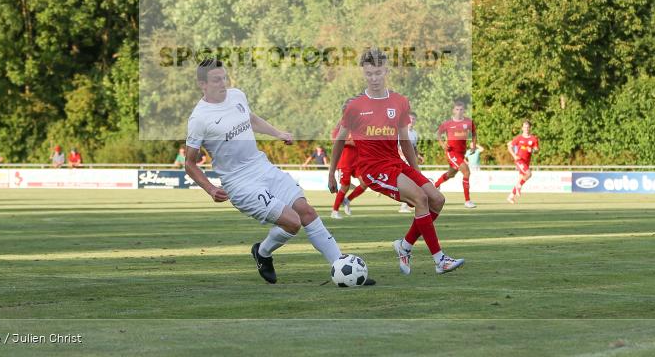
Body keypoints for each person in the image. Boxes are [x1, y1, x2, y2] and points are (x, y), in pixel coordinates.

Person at [185, 58, 365, 285]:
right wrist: (210, 189)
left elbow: (250, 119)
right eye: (216, 80)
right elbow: (189, 164)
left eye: (224, 77)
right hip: (240, 183)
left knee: (306, 211)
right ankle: (263, 252)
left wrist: (278, 133)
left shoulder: (237, 95)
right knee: (292, 222)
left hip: (263, 167)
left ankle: (341, 266)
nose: (223, 83)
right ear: (202, 84)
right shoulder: (199, 118)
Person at [330, 48, 465, 275]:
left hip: (396, 162)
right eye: (369, 73)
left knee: (437, 199)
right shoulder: (355, 106)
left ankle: (404, 245)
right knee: (421, 199)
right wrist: (331, 172)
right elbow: (339, 141)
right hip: (373, 168)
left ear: (386, 71)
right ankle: (440, 260)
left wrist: (417, 172)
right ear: (364, 73)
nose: (374, 78)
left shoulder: (400, 102)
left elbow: (405, 142)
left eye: (378, 73)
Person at [434, 101, 478, 208]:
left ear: (464, 110)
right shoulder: (447, 123)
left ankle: (435, 185)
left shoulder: (468, 122)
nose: (459, 111)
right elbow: (438, 134)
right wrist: (443, 144)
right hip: (451, 152)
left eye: (461, 109)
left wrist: (473, 144)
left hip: (461, 153)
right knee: (466, 171)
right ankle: (467, 201)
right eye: (457, 109)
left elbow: (474, 134)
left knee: (451, 174)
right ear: (453, 110)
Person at [330, 108, 367, 219]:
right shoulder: (339, 127)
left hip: (357, 161)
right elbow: (335, 141)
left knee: (365, 183)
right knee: (345, 186)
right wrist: (351, 141)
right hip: (344, 162)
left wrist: (348, 141)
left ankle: (347, 200)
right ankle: (334, 211)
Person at [398, 111, 425, 212]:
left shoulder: (414, 133)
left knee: (413, 181)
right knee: (408, 182)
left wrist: (418, 156)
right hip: (401, 160)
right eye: (410, 118)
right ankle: (404, 206)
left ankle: (407, 205)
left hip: (410, 160)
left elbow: (414, 147)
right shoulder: (401, 131)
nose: (411, 121)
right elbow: (396, 147)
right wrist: (402, 156)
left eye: (413, 119)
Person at [507, 120, 539, 204]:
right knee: (529, 174)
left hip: (527, 161)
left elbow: (536, 150)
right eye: (524, 127)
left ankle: (510, 196)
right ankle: (519, 186)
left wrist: (532, 150)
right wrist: (514, 156)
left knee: (521, 179)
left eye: (528, 127)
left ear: (530, 128)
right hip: (519, 160)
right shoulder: (518, 138)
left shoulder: (533, 139)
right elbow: (509, 147)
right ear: (522, 128)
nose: (526, 129)